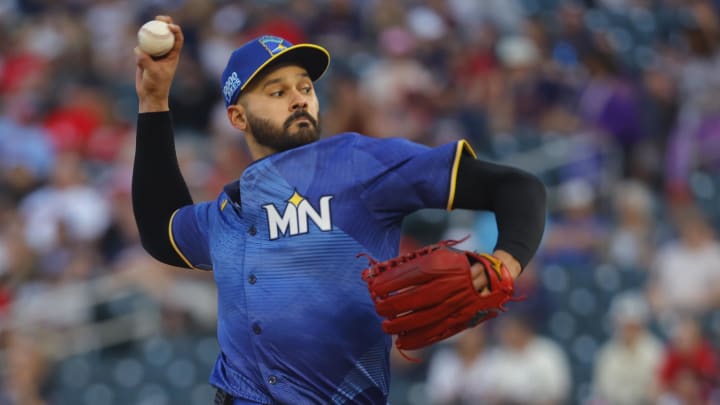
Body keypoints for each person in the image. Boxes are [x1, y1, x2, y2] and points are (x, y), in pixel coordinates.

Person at [132, 16, 547, 405]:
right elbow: (161, 231)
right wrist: (153, 99)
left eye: (305, 87)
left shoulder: (357, 162)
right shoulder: (226, 214)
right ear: (237, 117)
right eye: (278, 92)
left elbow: (517, 187)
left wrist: (505, 262)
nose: (298, 98)